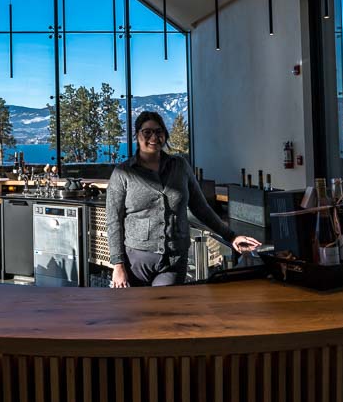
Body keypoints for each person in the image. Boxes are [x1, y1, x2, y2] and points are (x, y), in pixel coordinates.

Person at [106, 111, 261, 287]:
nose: (154, 137)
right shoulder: (123, 173)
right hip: (136, 262)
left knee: (166, 311)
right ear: (137, 135)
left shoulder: (180, 166)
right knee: (138, 313)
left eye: (159, 131)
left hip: (174, 260)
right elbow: (114, 221)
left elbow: (201, 208)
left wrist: (231, 236)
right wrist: (118, 264)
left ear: (165, 134)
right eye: (147, 132)